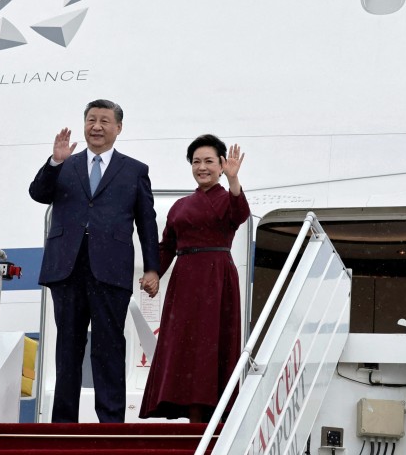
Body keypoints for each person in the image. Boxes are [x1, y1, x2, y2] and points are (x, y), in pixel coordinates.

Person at [29, 99, 160, 423]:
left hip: (111, 270)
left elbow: (147, 222)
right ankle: (63, 423)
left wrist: (153, 267)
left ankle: (112, 423)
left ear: (118, 128)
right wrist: (54, 163)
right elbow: (38, 193)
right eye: (91, 120)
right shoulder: (66, 164)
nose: (96, 126)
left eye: (104, 120)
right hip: (67, 268)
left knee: (109, 347)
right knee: (68, 348)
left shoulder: (134, 170)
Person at [140, 134, 249, 422]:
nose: (202, 167)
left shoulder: (228, 198)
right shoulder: (180, 206)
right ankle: (183, 405)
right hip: (185, 280)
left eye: (209, 162)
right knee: (183, 344)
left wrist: (234, 180)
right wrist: (153, 273)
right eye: (197, 161)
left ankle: (210, 409)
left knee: (212, 342)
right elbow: (167, 246)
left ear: (222, 165)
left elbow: (240, 215)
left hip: (217, 278)